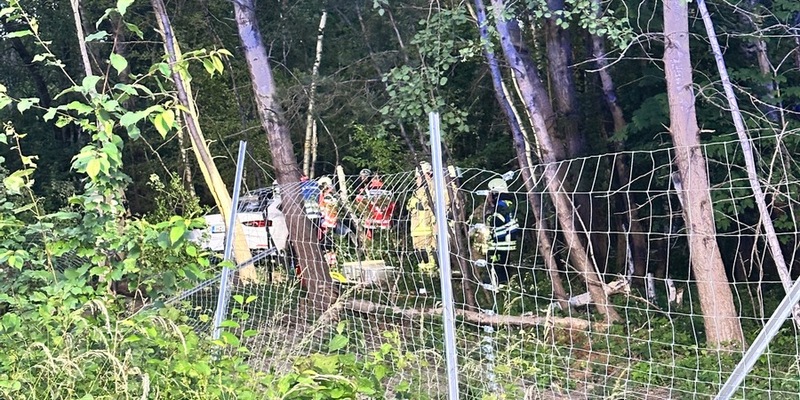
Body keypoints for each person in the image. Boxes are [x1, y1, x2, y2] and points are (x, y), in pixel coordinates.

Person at [483, 178, 520, 285]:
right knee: (504, 264)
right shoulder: (508, 202)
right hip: (507, 240)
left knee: (497, 264)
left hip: (501, 242)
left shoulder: (501, 205)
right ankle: (503, 284)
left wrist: (488, 216)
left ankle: (497, 285)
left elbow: (497, 221)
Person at [407, 162, 438, 275]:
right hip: (417, 229)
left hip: (427, 229)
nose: (416, 180)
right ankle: (423, 276)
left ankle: (432, 275)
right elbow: (410, 205)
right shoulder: (417, 191)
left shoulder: (432, 189)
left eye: (418, 177)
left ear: (427, 175)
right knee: (419, 254)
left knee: (430, 252)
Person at [317, 176, 339, 269]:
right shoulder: (326, 193)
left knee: (327, 243)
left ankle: (331, 263)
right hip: (326, 220)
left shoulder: (328, 194)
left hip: (328, 221)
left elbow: (326, 207)